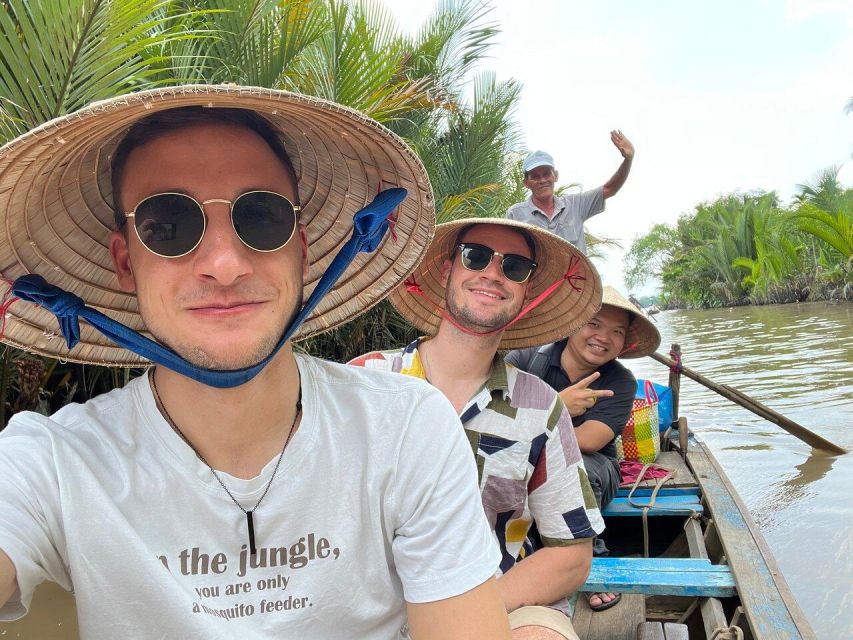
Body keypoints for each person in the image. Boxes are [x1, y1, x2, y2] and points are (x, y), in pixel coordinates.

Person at [0, 86, 513, 639]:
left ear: (303, 247)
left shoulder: (406, 429)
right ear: (126, 261)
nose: (223, 265)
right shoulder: (54, 463)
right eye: (167, 224)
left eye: (262, 218)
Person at [351, 218, 606, 640]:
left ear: (527, 292)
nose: (492, 273)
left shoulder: (542, 406)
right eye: (476, 256)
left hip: (501, 597)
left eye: (516, 267)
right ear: (448, 269)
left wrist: (468, 615)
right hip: (377, 608)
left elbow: (572, 555)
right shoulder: (367, 382)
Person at [506, 286, 661, 612]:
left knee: (573, 472)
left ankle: (586, 553)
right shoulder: (523, 359)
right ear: (572, 322)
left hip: (593, 469)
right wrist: (558, 407)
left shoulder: (620, 381)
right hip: (521, 460)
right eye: (594, 323)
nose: (603, 337)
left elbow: (591, 440)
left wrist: (535, 420)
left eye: (616, 332)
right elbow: (491, 418)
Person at [506, 131, 635, 255]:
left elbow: (610, 189)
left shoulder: (575, 204)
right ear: (526, 183)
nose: (542, 180)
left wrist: (628, 160)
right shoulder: (515, 214)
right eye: (535, 176)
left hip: (576, 278)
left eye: (546, 174)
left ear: (555, 176)